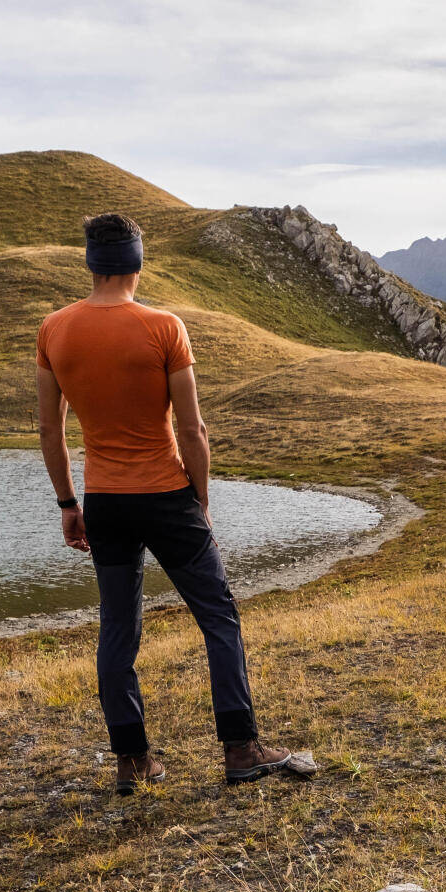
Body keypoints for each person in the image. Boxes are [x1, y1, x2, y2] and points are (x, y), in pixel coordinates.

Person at [37, 211, 306, 794]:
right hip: (167, 495)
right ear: (137, 261)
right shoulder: (164, 326)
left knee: (118, 630)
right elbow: (194, 432)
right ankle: (240, 749)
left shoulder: (54, 330)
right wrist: (200, 502)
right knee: (218, 618)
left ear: (91, 262)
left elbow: (51, 434)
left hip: (104, 499)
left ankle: (133, 760)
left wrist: (68, 503)